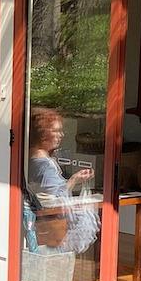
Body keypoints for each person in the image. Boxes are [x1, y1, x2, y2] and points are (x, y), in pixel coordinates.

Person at [24, 107, 98, 254]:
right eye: (56, 131)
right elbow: (56, 200)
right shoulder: (44, 164)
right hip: (51, 224)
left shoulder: (29, 155)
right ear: (43, 134)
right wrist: (75, 179)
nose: (61, 135)